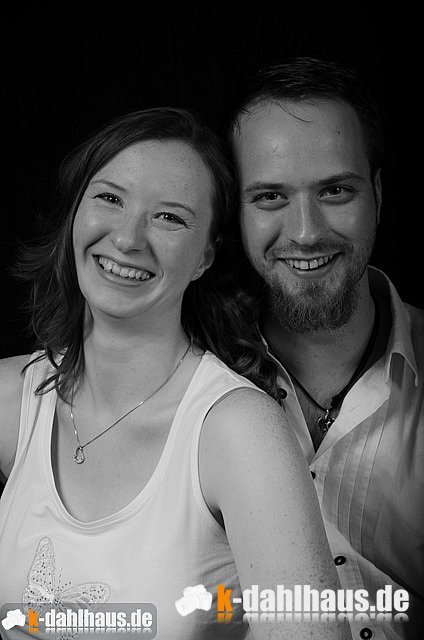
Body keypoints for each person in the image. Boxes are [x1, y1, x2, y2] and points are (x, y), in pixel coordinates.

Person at [0, 107, 345, 639]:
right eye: (110, 198)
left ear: (205, 256)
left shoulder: (239, 431)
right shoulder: (13, 398)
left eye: (169, 218)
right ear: (75, 213)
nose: (127, 239)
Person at [230, 57, 424, 640]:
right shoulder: (186, 372)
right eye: (270, 197)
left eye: (336, 190)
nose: (307, 231)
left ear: (378, 193)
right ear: (235, 211)